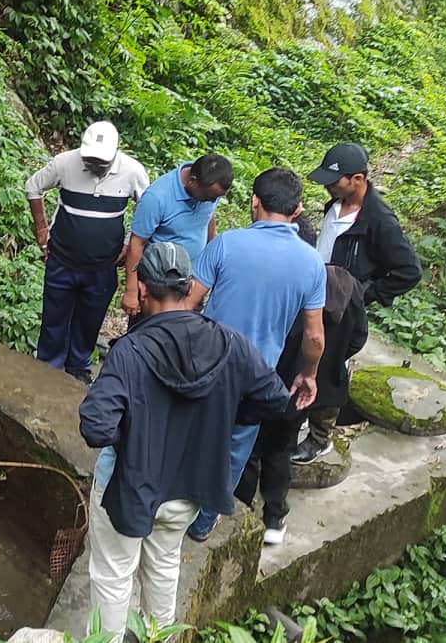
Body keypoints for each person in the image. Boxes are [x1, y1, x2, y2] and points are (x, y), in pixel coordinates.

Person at [79, 242, 291, 639]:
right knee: (163, 567)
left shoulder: (130, 352)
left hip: (128, 487)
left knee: (112, 576)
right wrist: (223, 419)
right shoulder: (230, 344)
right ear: (191, 288)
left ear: (142, 289)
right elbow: (276, 399)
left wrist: (136, 432)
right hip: (188, 490)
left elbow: (95, 426)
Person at [183, 168, 324, 543]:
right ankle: (203, 521)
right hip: (257, 376)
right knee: (234, 448)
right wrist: (308, 374)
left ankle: (172, 505)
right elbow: (314, 335)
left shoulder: (226, 245)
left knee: (191, 432)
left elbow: (188, 304)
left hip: (207, 363)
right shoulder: (312, 264)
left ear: (254, 202)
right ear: (297, 210)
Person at [294, 142, 420, 464]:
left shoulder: (379, 221)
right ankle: (295, 417)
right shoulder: (335, 205)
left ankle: (320, 437)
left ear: (358, 179)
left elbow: (408, 271)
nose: (328, 186)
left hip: (341, 308)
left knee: (329, 372)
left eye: (334, 182)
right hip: (315, 296)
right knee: (303, 359)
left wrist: (363, 294)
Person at [239, 262, 367, 545]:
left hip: (281, 380)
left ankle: (242, 511)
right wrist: (328, 365)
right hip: (310, 389)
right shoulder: (352, 289)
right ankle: (274, 518)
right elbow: (358, 338)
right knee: (280, 449)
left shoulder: (300, 290)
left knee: (251, 448)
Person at [25, 121, 151, 384]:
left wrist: (129, 242)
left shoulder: (132, 171)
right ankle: (48, 366)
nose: (94, 165)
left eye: (100, 161)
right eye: (90, 159)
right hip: (62, 259)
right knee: (54, 317)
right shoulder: (64, 163)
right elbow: (33, 187)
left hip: (102, 266)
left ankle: (79, 366)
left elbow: (146, 206)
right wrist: (41, 229)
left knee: (90, 319)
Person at [118, 154, 233, 315]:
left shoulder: (209, 191)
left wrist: (210, 256)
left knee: (184, 333)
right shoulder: (157, 197)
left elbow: (209, 219)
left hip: (192, 280)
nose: (213, 201)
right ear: (192, 181)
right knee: (150, 333)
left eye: (216, 198)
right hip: (159, 282)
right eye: (210, 197)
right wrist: (131, 291)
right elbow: (137, 243)